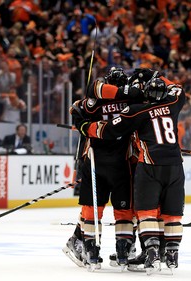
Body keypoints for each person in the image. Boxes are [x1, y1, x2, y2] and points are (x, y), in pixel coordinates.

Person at [74, 75, 186, 274]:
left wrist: (84, 126)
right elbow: (177, 88)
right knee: (167, 213)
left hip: (141, 164)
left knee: (144, 211)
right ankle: (162, 253)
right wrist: (156, 75)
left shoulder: (136, 110)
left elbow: (107, 128)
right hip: (173, 164)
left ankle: (96, 250)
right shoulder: (173, 102)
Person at [65, 67, 140, 270]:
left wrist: (80, 120)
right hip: (121, 162)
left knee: (92, 209)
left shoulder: (95, 99)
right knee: (124, 209)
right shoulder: (132, 103)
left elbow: (78, 106)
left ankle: (91, 250)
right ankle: (124, 250)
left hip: (96, 161)